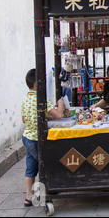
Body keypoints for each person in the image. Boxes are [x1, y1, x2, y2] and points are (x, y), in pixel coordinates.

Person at [21, 68, 64, 207]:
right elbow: (59, 115)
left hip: (27, 137)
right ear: (37, 83)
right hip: (37, 139)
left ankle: (29, 196)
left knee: (30, 168)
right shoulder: (42, 100)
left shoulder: (25, 100)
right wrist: (61, 104)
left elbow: (24, 119)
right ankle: (48, 191)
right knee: (45, 165)